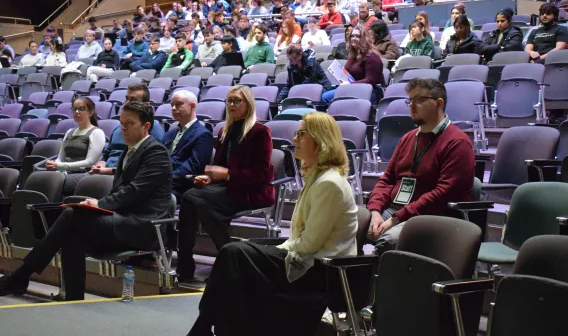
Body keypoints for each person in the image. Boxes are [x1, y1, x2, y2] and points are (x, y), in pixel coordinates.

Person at [187, 111, 357, 336]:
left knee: (234, 254)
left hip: (322, 269)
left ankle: (204, 327)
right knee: (234, 257)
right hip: (308, 258)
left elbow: (309, 245)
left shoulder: (329, 184)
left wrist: (272, 251)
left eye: (301, 134)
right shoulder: (318, 176)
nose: (294, 139)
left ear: (320, 141)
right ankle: (214, 328)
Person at [0, 101, 172, 301]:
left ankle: (21, 275)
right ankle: (73, 298)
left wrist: (99, 204)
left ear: (146, 126)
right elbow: (123, 192)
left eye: (130, 123)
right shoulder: (129, 150)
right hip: (123, 220)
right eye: (122, 122)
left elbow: (135, 191)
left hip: (143, 226)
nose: (123, 128)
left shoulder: (155, 151)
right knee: (73, 236)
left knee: (74, 214)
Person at [364, 78, 474, 256]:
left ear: (439, 103)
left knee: (388, 241)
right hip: (394, 210)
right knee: (351, 226)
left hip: (430, 217)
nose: (412, 105)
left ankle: (372, 281)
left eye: (420, 100)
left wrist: (396, 218)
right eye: (410, 100)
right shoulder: (408, 138)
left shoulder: (457, 142)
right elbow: (387, 179)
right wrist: (375, 210)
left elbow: (443, 194)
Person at [177, 85, 275, 283]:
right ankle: (191, 264)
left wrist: (228, 175)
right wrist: (210, 177)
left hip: (252, 191)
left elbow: (261, 175)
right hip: (229, 188)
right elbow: (220, 167)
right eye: (229, 100)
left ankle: (223, 262)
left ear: (248, 104)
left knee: (194, 198)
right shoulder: (225, 130)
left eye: (237, 100)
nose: (231, 104)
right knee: (192, 198)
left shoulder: (260, 132)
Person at [90, 84, 165, 175]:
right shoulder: (118, 127)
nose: (127, 103)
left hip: (125, 176)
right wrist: (100, 165)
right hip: (103, 172)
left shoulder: (153, 127)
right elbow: (107, 153)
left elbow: (150, 162)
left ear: (145, 105)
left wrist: (109, 171)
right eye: (127, 98)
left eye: (133, 100)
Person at [44, 97, 106, 196]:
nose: (77, 112)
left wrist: (60, 166)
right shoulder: (70, 132)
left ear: (90, 112)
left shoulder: (97, 132)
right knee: (39, 177)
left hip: (83, 173)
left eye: (81, 109)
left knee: (53, 182)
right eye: (74, 109)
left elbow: (89, 162)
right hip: (64, 171)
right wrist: (55, 165)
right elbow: (60, 157)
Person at [162, 90, 213, 198]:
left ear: (192, 106)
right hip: (161, 182)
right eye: (172, 105)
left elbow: (193, 166)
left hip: (180, 187)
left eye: (178, 104)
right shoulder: (169, 134)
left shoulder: (203, 134)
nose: (173, 108)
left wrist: (165, 179)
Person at [323, 25, 385, 102]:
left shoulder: (372, 57)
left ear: (364, 39)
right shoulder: (353, 55)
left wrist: (350, 84)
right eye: (352, 36)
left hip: (370, 92)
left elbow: (370, 81)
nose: (354, 39)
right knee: (324, 91)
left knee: (325, 97)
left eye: (358, 36)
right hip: (354, 88)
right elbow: (348, 74)